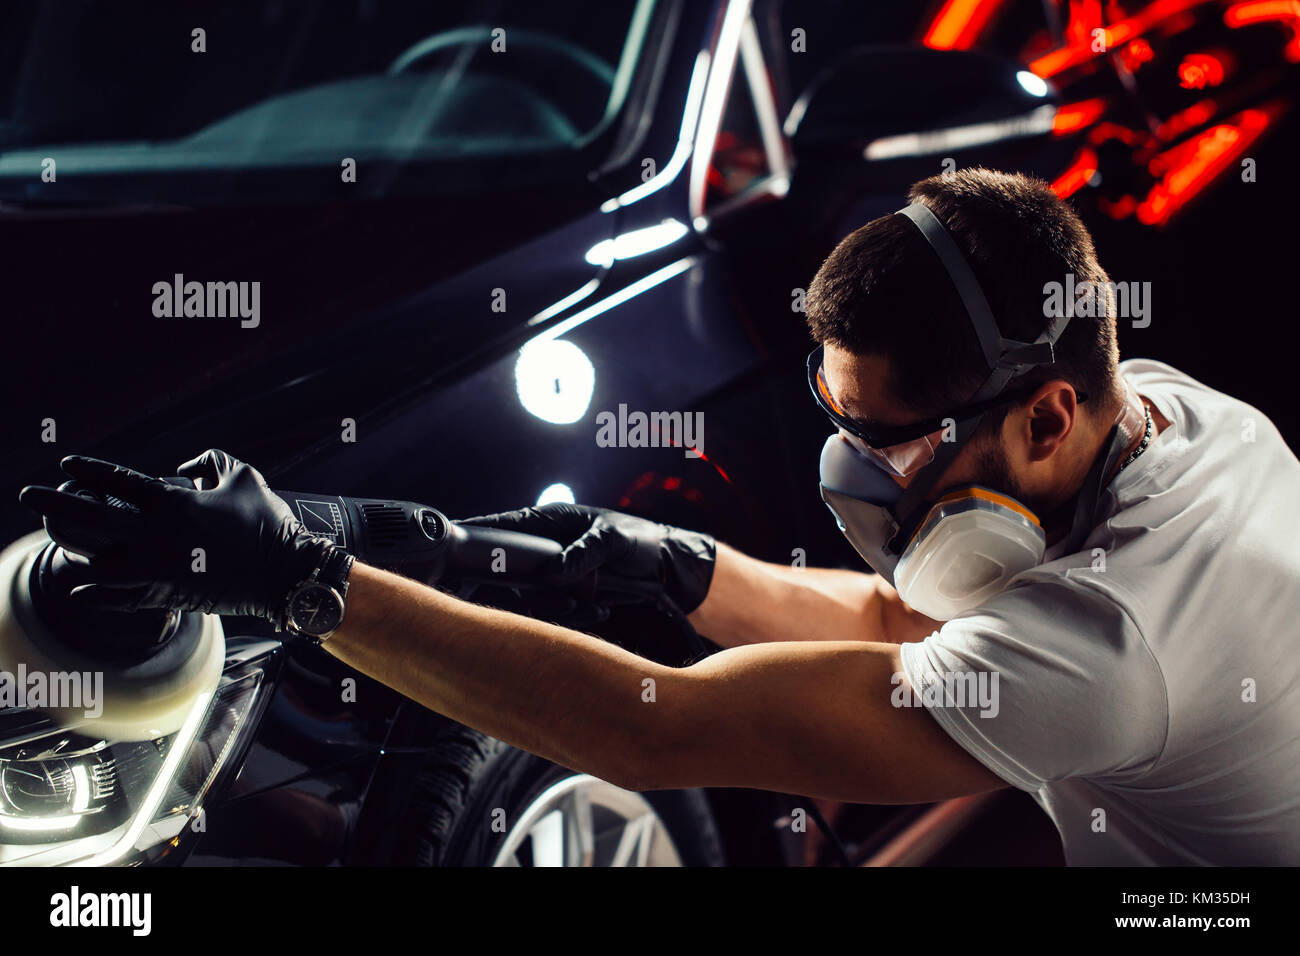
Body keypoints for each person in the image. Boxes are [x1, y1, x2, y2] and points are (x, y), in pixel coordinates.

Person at [21, 168, 1300, 865]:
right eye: (837, 418)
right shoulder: (1171, 418)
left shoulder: (1106, 649)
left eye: (891, 442)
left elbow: (652, 726)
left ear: (1042, 416)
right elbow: (908, 615)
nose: (855, 472)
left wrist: (303, 582)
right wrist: (659, 562)